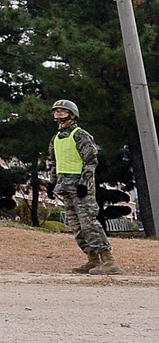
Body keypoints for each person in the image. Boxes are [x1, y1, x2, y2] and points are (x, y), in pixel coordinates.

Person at [48, 99, 121, 275]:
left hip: (81, 188)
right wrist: (52, 183)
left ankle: (108, 260)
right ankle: (92, 260)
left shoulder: (81, 135)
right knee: (77, 226)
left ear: (72, 115)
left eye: (62, 111)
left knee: (89, 223)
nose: (59, 114)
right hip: (65, 188)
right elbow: (53, 162)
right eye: (56, 111)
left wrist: (84, 184)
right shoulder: (55, 139)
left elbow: (90, 162)